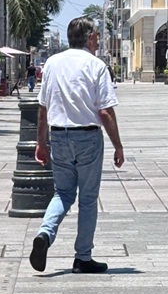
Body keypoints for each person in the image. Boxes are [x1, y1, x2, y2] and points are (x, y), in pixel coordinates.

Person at [29, 16, 124, 275]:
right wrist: (118, 145)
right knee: (88, 199)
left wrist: (41, 143)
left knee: (63, 193)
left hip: (59, 136)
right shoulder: (96, 66)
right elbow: (104, 111)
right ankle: (82, 256)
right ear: (90, 37)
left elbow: (43, 109)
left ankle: (45, 234)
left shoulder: (52, 63)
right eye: (96, 36)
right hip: (88, 138)